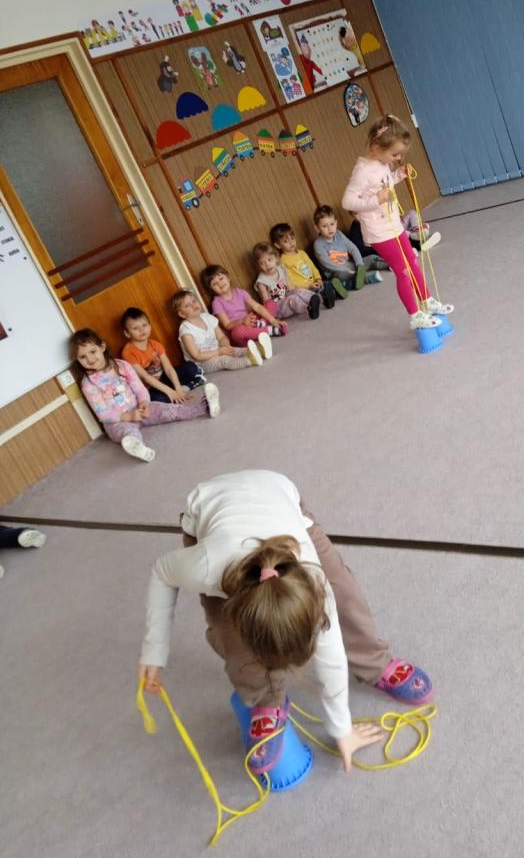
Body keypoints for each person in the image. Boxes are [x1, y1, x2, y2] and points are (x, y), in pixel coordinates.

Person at [137, 469, 433, 774]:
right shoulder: (204, 568)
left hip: (278, 496)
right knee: (232, 642)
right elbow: (162, 574)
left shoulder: (314, 581)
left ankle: (373, 662)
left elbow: (330, 657)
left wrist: (342, 729)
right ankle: (266, 699)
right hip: (208, 517)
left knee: (345, 592)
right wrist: (154, 652)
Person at [341, 115, 454, 330]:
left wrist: (399, 175)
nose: (398, 158)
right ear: (376, 147)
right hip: (379, 232)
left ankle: (427, 301)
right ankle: (415, 315)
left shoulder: (382, 162)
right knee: (403, 270)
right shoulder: (362, 171)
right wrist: (376, 200)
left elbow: (385, 183)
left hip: (394, 226)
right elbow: (347, 202)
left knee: (413, 262)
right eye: (394, 154)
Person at [71, 328, 220, 464]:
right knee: (128, 432)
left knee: (168, 410)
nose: (90, 359)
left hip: (141, 409)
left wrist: (145, 402)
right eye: (83, 357)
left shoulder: (122, 365)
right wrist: (127, 417)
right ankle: (140, 449)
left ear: (102, 347)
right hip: (117, 422)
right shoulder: (88, 384)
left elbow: (139, 388)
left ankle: (204, 407)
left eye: (92, 351)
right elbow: (103, 414)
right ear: (78, 360)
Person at [121, 307, 204, 403]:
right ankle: (182, 388)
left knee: (191, 367)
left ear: (150, 326)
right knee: (159, 399)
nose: (142, 330)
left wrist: (178, 389)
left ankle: (180, 389)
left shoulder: (155, 344)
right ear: (127, 333)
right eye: (135, 328)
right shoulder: (128, 352)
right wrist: (170, 392)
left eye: (144, 325)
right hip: (150, 387)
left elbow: (168, 369)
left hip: (163, 378)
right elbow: (145, 377)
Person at [172, 289, 265, 374]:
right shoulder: (186, 330)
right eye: (187, 306)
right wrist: (219, 352)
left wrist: (226, 346)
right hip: (202, 362)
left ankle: (260, 351)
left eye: (194, 301)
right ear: (182, 314)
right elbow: (197, 355)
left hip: (218, 350)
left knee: (236, 350)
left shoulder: (207, 317)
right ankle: (249, 360)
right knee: (223, 360)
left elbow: (221, 337)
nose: (193, 305)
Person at [201, 265, 287, 350]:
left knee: (270, 303)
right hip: (241, 330)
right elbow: (227, 325)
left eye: (221, 278)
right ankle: (270, 331)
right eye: (215, 283)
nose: (220, 283)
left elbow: (257, 307)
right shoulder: (217, 302)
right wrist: (242, 321)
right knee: (236, 333)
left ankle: (262, 324)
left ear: (228, 277)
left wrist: (273, 320)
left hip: (252, 323)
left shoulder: (239, 292)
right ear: (211, 288)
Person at [312, 204, 386, 292]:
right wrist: (348, 270)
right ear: (317, 228)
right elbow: (327, 263)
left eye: (332, 224)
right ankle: (366, 279)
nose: (329, 228)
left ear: (336, 223)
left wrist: (359, 264)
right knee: (343, 275)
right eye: (324, 226)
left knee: (372, 258)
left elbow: (352, 248)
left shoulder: (339, 234)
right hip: (336, 272)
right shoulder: (318, 244)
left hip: (350, 265)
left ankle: (388, 265)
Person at [269, 223, 337, 307]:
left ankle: (327, 295)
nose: (291, 243)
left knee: (325, 284)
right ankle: (320, 299)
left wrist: (318, 279)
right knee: (303, 295)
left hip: (314, 283)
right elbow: (290, 280)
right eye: (286, 241)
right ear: (278, 245)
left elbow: (312, 267)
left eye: (292, 238)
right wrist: (307, 286)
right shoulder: (282, 261)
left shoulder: (302, 253)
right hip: (302, 288)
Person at [252, 242, 321, 320]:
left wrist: (297, 291)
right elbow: (266, 302)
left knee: (298, 291)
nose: (267, 265)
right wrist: (272, 318)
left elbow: (291, 287)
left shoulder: (281, 269)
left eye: (269, 260)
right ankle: (308, 309)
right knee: (292, 299)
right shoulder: (262, 281)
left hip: (287, 295)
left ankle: (313, 297)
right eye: (262, 263)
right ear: (258, 266)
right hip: (278, 307)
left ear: (276, 258)